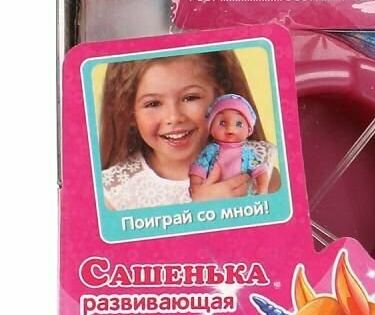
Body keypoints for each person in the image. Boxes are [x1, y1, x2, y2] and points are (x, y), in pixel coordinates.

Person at [99, 51, 278, 210]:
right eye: (153, 103)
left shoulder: (258, 168)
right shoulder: (112, 195)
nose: (174, 117)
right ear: (129, 112)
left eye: (190, 97)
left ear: (219, 99)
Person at [189, 93, 272, 195]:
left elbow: (261, 172)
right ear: (211, 127)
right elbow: (199, 168)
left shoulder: (248, 153)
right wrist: (195, 185)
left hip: (242, 197)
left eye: (239, 124)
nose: (230, 129)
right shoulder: (211, 150)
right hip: (215, 195)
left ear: (249, 130)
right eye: (222, 123)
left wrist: (262, 189)